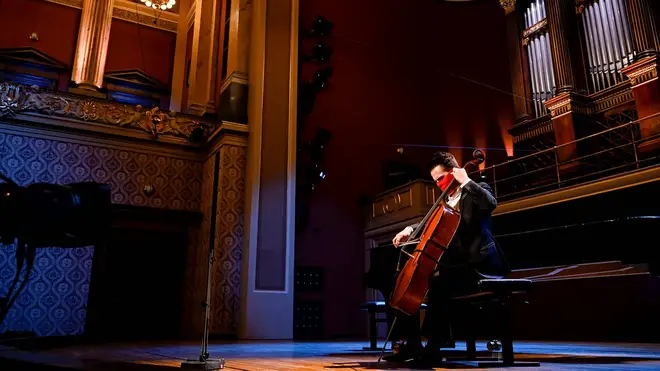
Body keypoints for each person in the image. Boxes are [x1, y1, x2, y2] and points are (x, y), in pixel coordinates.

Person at [384, 151, 510, 363]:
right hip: (456, 267)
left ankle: (433, 348)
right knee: (409, 281)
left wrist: (467, 181)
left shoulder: (476, 190)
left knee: (438, 280)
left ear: (455, 172)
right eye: (435, 181)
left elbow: (491, 204)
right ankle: (413, 344)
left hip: (478, 265)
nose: (439, 185)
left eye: (441, 178)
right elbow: (430, 223)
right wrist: (409, 229)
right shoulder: (446, 202)